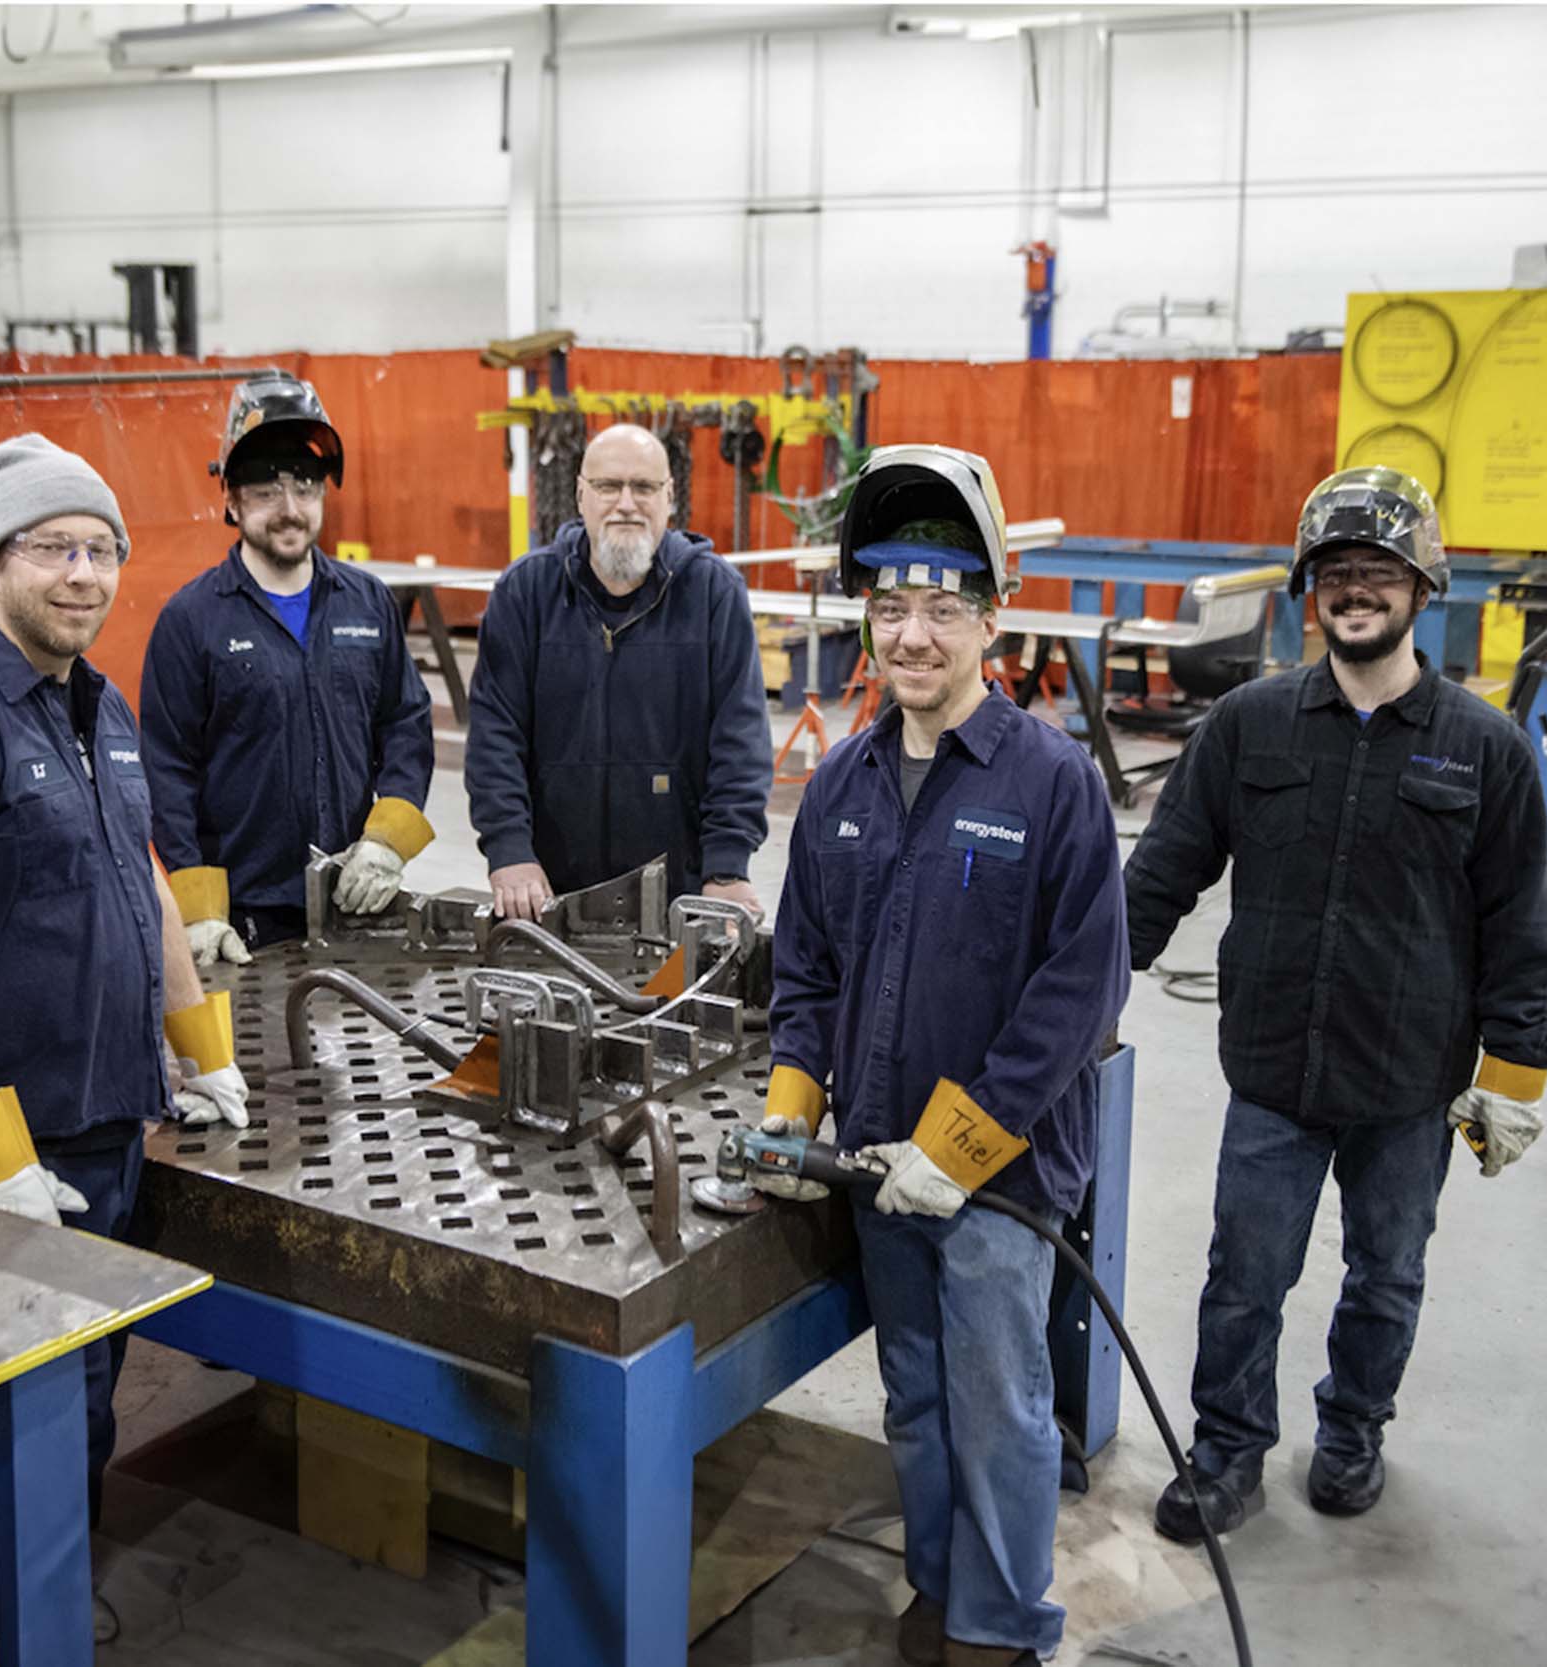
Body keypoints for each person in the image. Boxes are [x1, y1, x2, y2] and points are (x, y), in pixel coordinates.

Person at [0, 433, 250, 1659]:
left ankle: (21, 1589)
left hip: (108, 1121)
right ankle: (24, 1613)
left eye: (102, 548)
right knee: (35, 1404)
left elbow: (146, 880)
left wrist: (203, 1048)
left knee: (79, 1393)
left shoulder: (100, 706)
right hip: (12, 1150)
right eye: (53, 547)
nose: (84, 573)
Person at [1125, 466, 1547, 1542]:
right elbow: (1159, 876)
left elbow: (1520, 925)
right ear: (1308, 591)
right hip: (1273, 1068)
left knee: (1387, 1274)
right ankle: (1228, 1450)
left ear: (1424, 588)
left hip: (1412, 1082)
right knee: (1245, 1274)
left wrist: (1515, 1074)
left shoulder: (1485, 747)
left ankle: (1354, 1429)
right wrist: (1081, 993)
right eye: (1337, 573)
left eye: (1379, 573)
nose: (1356, 591)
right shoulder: (1248, 725)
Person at [764, 446, 1131, 1667]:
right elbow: (806, 969)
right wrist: (788, 1110)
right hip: (876, 1167)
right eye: (891, 605)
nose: (913, 634)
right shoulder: (841, 787)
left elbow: (1080, 993)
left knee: (999, 1408)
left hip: (999, 1187)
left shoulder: (1053, 783)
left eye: (941, 606)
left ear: (990, 613)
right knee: (914, 1401)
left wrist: (960, 1143)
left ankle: (1001, 1627)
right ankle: (939, 1588)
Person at [141, 374, 435, 961]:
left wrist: (387, 843)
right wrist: (198, 907)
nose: (290, 509)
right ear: (230, 500)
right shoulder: (192, 619)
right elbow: (167, 771)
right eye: (267, 491)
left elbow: (405, 723)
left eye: (305, 487)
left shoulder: (367, 602)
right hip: (243, 921)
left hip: (356, 899)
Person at [464, 422, 769, 920]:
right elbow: (496, 736)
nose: (626, 503)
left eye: (644, 487)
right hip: (547, 890)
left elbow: (741, 739)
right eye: (609, 487)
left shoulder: (714, 594)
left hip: (680, 890)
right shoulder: (526, 592)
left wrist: (727, 870)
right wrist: (509, 850)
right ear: (581, 495)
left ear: (670, 497)